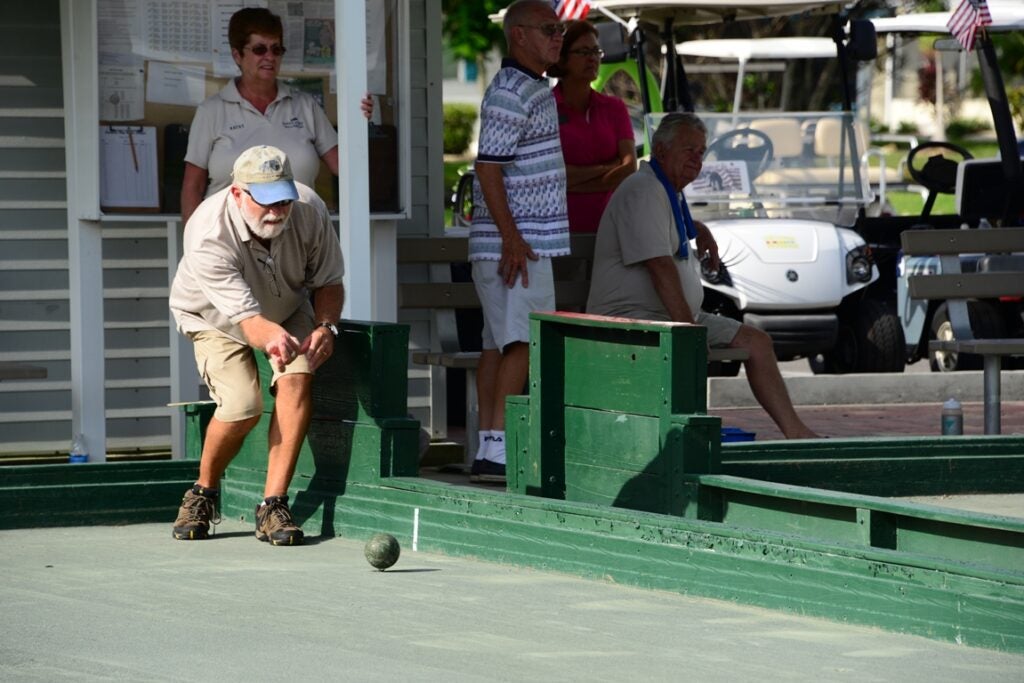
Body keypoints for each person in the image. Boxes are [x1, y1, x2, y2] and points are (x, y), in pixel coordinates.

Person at [587, 113, 819, 439]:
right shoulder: (644, 189)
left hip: (670, 316)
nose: (697, 158)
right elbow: (660, 266)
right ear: (661, 149)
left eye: (701, 151)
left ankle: (796, 432)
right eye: (688, 150)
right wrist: (690, 332)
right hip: (632, 318)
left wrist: (700, 227)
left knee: (757, 342)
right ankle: (681, 437)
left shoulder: (668, 190)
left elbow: (668, 234)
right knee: (687, 347)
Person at [169, 145, 345, 544]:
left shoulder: (310, 208)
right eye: (265, 202)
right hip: (216, 317)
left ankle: (273, 505)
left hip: (285, 304)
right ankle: (203, 491)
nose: (277, 211)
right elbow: (249, 323)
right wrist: (276, 339)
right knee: (243, 406)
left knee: (297, 379)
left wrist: (326, 326)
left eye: (283, 200)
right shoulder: (207, 231)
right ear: (236, 193)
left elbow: (330, 282)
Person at [469, 0, 570, 482]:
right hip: (519, 247)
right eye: (549, 29)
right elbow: (487, 166)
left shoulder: (531, 86)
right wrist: (512, 237)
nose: (558, 37)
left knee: (498, 345)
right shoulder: (513, 89)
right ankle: (499, 449)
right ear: (520, 36)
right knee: (522, 343)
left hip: (514, 244)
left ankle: (489, 447)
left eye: (560, 29)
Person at [181, 7, 373, 224]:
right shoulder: (212, 111)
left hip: (298, 236)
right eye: (260, 49)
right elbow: (192, 187)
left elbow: (345, 168)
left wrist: (359, 121)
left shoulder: (304, 106)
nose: (269, 57)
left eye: (276, 49)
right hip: (230, 240)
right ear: (237, 55)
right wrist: (194, 245)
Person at [548, 20, 636, 233]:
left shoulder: (615, 107)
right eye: (584, 51)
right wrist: (608, 168)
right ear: (561, 58)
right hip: (558, 232)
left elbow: (629, 168)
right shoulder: (544, 109)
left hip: (612, 230)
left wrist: (573, 183)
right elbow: (551, 177)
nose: (593, 58)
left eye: (596, 51)